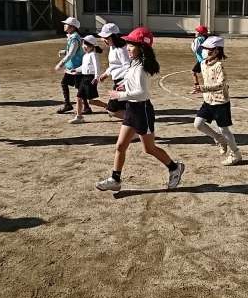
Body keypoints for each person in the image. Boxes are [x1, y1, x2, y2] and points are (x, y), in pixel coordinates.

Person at [96, 27, 185, 192]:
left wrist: (119, 95)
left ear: (141, 48)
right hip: (131, 109)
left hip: (142, 111)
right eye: (128, 44)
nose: (128, 48)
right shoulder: (134, 62)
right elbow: (131, 80)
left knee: (149, 148)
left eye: (132, 45)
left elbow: (142, 93)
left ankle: (174, 168)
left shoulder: (141, 67)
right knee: (120, 146)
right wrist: (124, 85)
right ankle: (115, 179)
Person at [192, 35, 242, 166]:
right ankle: (219, 138)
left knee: (224, 129)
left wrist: (203, 88)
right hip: (208, 101)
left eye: (208, 49)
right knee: (198, 124)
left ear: (217, 51)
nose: (205, 51)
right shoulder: (202, 63)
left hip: (220, 102)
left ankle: (236, 154)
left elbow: (222, 84)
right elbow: (194, 71)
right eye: (204, 48)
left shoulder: (219, 65)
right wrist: (197, 85)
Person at [55, 17, 91, 115]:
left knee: (76, 86)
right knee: (73, 85)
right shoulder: (73, 37)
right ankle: (82, 106)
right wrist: (64, 52)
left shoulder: (74, 38)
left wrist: (61, 63)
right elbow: (73, 51)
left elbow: (71, 53)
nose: (64, 25)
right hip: (73, 66)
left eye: (66, 24)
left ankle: (73, 105)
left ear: (72, 27)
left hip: (76, 67)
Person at [96, 23, 130, 119]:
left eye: (107, 38)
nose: (104, 40)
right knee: (124, 107)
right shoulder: (113, 47)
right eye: (103, 38)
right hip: (118, 82)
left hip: (123, 82)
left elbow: (128, 66)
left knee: (112, 110)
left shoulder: (121, 49)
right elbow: (113, 65)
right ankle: (132, 121)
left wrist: (124, 84)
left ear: (115, 37)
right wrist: (106, 74)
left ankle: (134, 120)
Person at [69, 35, 102, 124]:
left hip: (91, 78)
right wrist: (76, 70)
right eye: (83, 44)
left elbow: (97, 66)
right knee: (78, 97)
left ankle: (107, 107)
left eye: (86, 45)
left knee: (91, 101)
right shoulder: (85, 56)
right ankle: (79, 117)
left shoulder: (93, 54)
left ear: (92, 45)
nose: (84, 46)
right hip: (84, 78)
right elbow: (83, 67)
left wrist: (96, 77)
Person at [191, 25, 209, 90]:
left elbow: (194, 49)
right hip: (207, 58)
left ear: (200, 33)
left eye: (197, 31)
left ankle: (197, 88)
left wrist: (193, 42)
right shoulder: (207, 38)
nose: (196, 32)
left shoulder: (198, 39)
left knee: (193, 72)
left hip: (201, 60)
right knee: (207, 74)